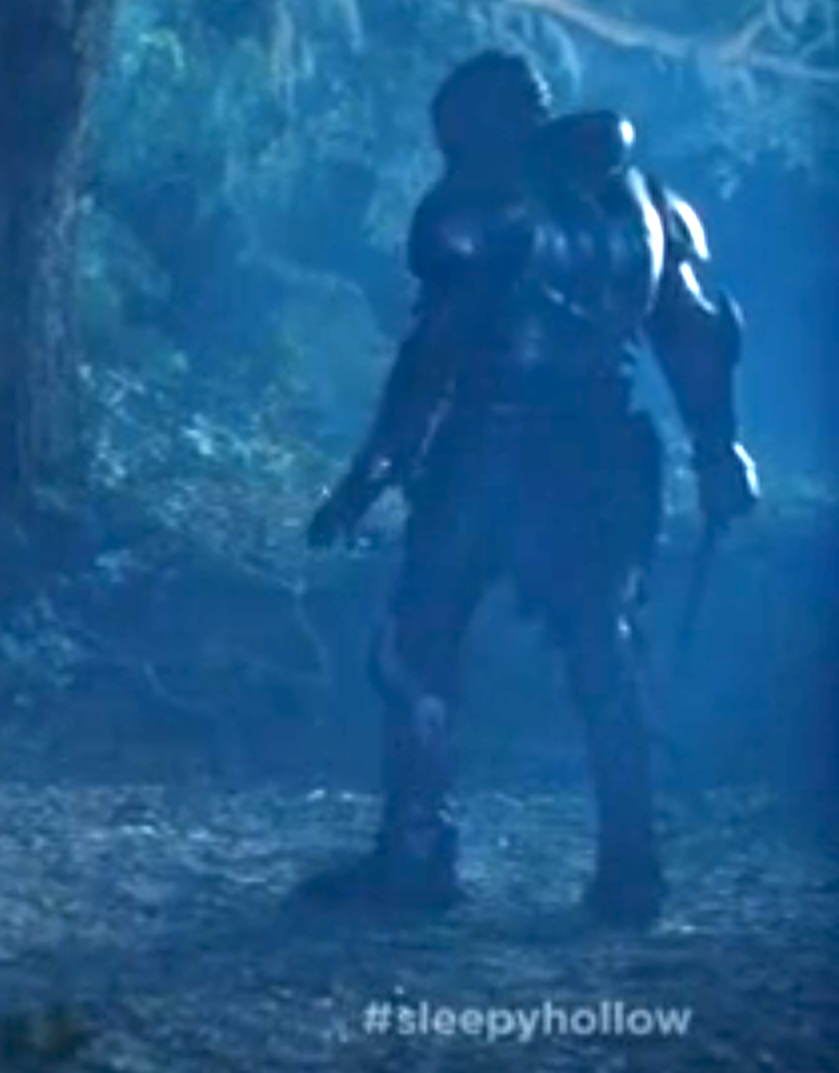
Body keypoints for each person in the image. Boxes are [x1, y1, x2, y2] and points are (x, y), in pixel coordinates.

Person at [301, 51, 760, 927]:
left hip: (491, 453)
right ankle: (631, 869)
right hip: (605, 449)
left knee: (416, 643)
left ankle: (417, 854)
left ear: (481, 122)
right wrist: (717, 450)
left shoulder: (475, 208)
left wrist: (372, 472)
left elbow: (433, 351)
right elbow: (696, 330)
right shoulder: (648, 202)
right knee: (605, 653)